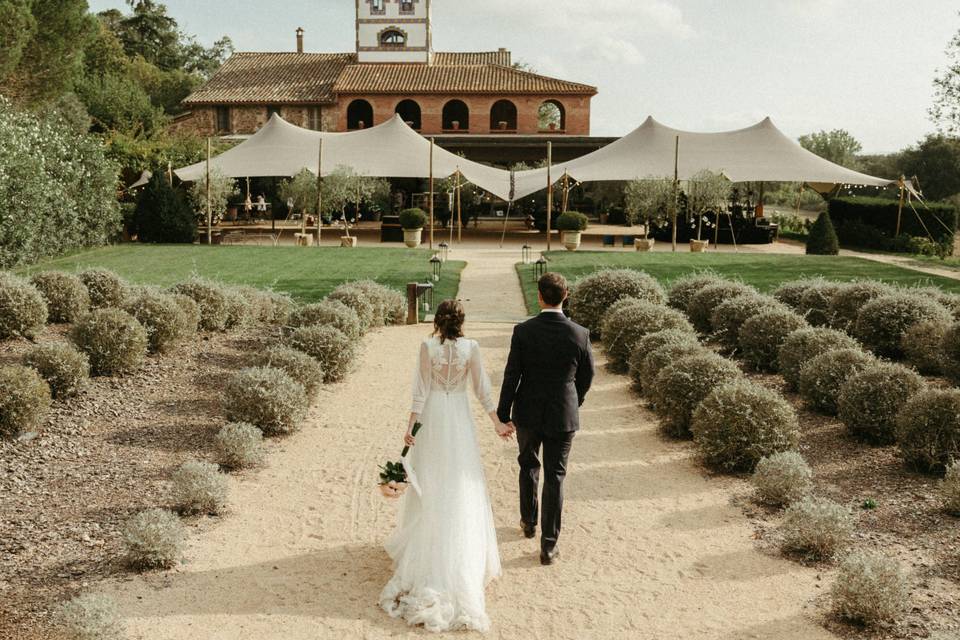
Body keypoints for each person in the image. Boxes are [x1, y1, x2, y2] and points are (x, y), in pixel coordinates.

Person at [381, 300, 513, 633]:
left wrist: (411, 425)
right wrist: (497, 422)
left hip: (435, 418)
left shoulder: (427, 347)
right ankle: (463, 554)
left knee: (432, 481)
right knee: (461, 482)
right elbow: (483, 390)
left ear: (438, 322)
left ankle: (429, 549)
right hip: (460, 421)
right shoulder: (472, 347)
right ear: (461, 321)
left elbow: (421, 391)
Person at [497, 272, 594, 565]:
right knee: (556, 476)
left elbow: (512, 374)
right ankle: (548, 546)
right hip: (562, 413)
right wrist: (574, 399)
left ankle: (529, 521)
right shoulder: (580, 333)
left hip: (527, 411)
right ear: (566, 296)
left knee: (528, 464)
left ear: (540, 296)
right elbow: (588, 376)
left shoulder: (523, 331)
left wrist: (504, 412)